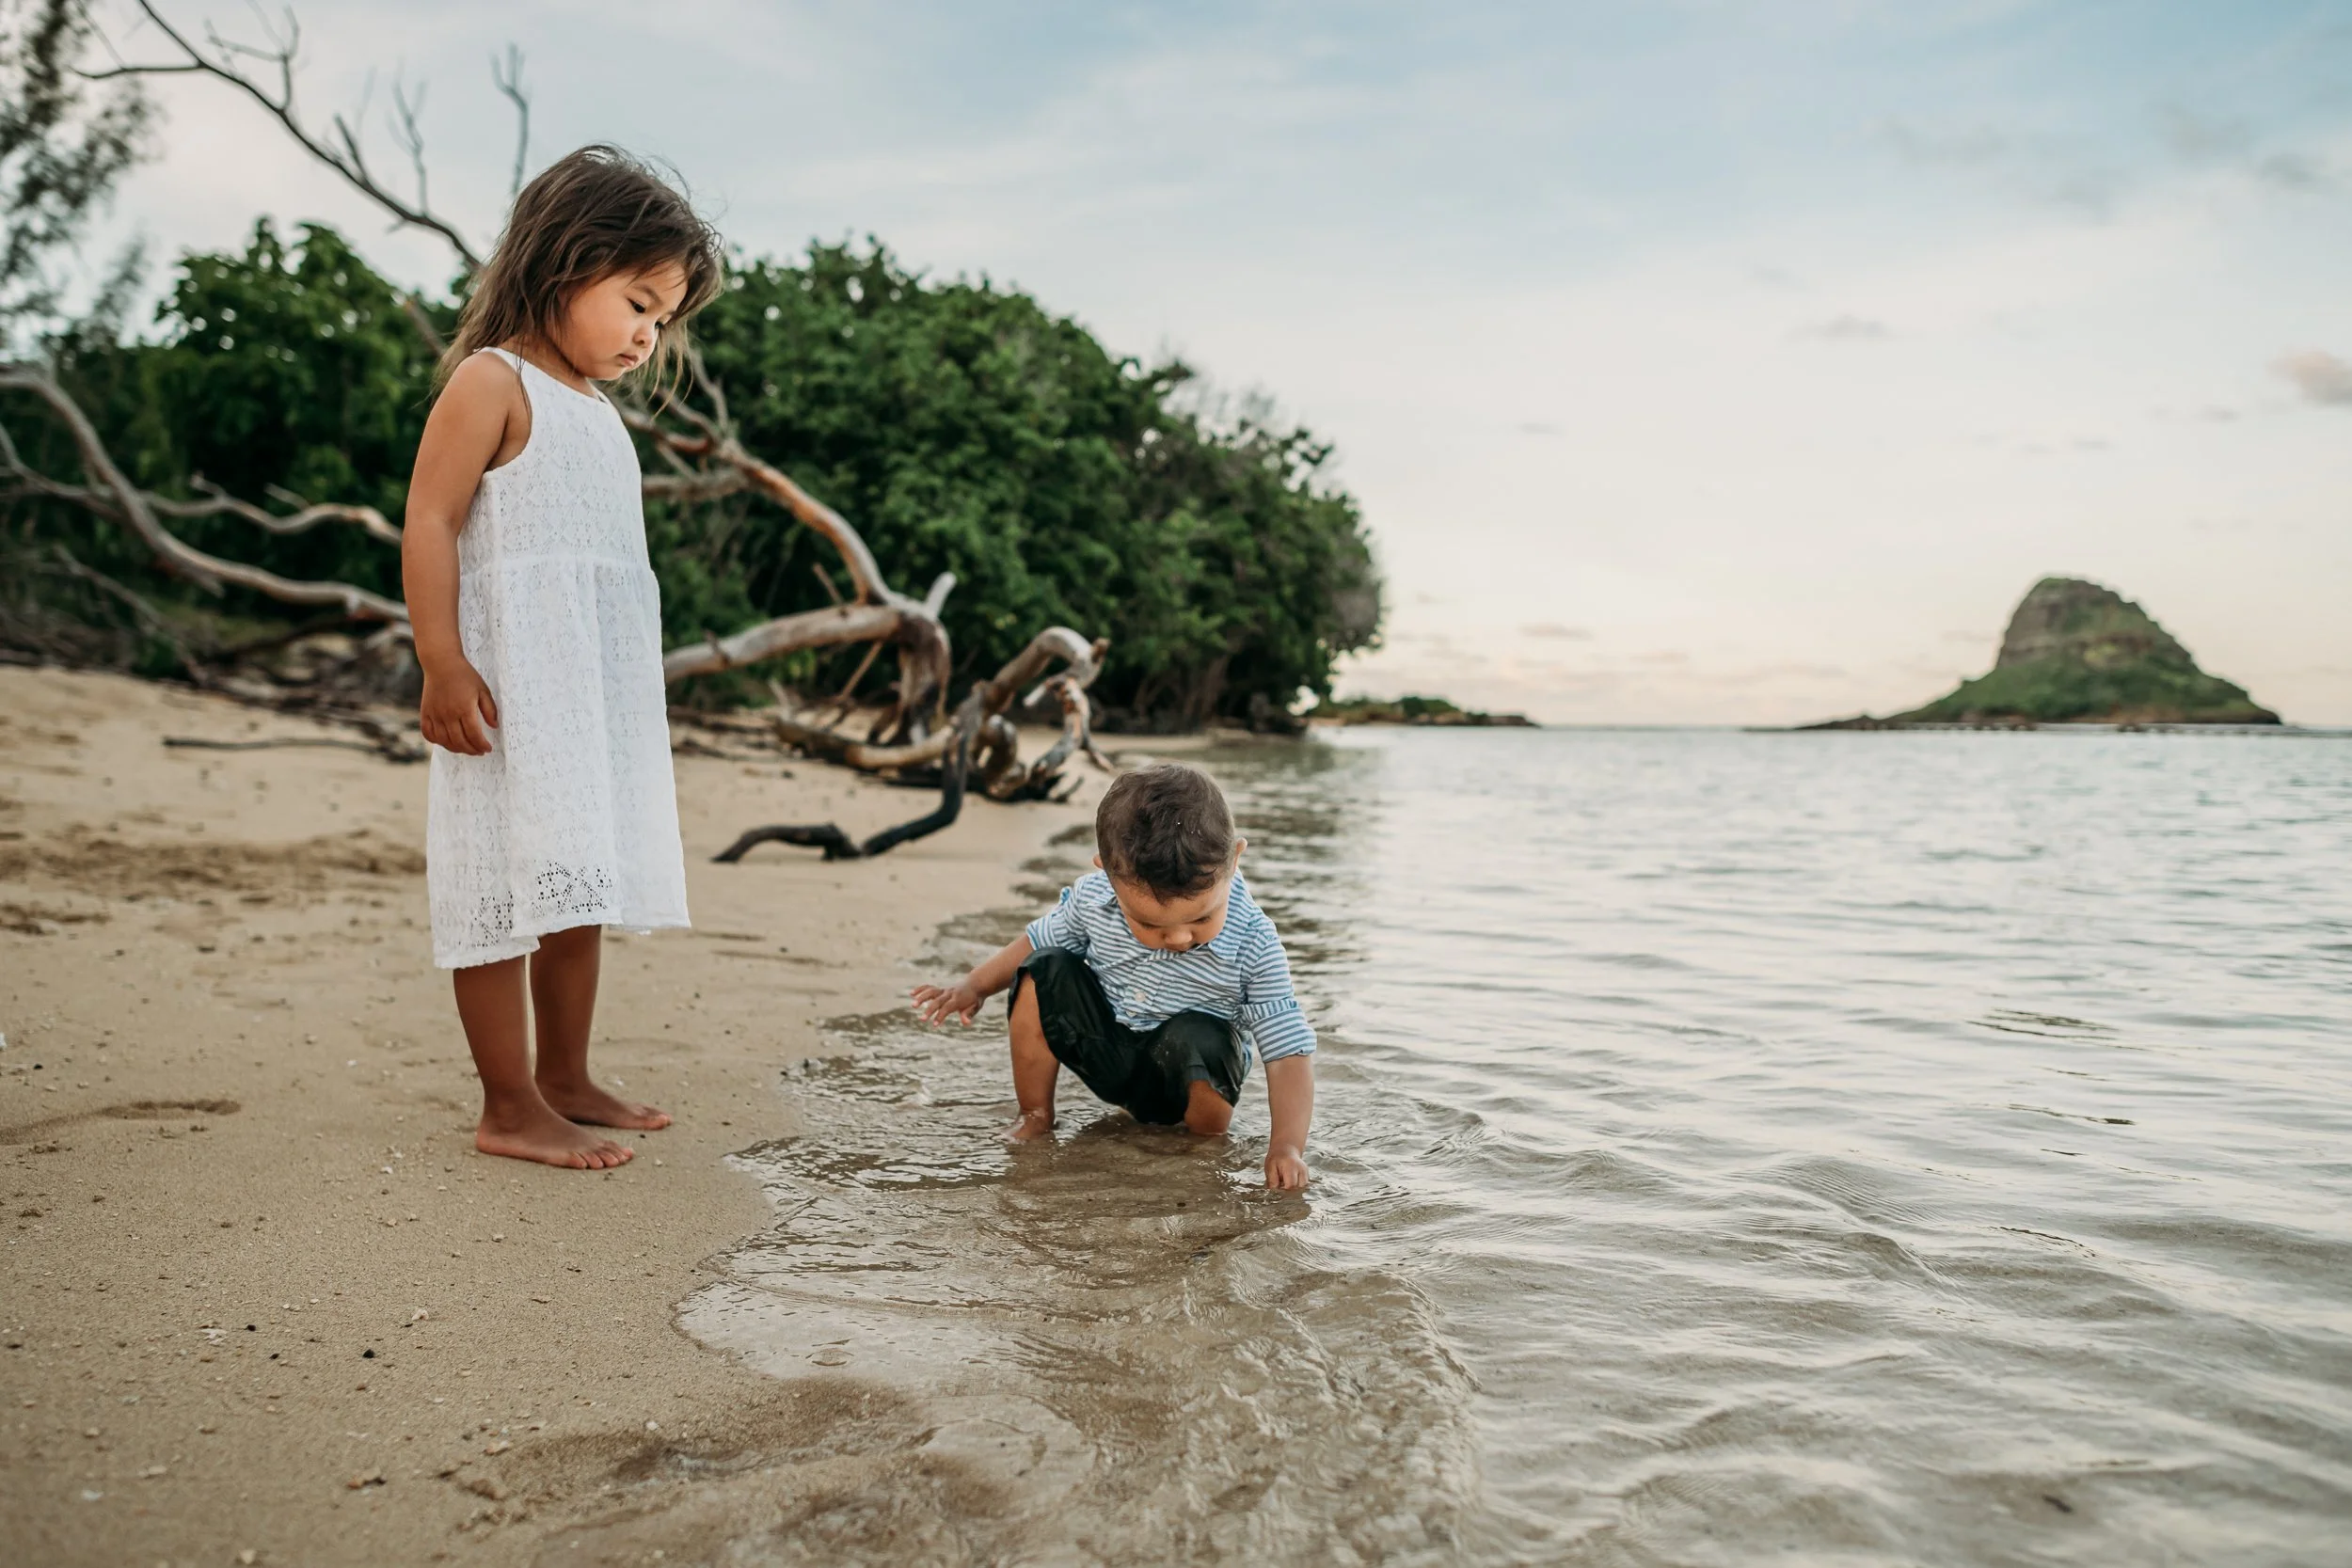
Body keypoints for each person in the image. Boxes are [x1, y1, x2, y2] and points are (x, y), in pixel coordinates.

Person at [401, 145, 723, 1170]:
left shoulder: (598, 415)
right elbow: (429, 521)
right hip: (505, 692)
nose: (646, 334)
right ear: (565, 261)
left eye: (662, 320)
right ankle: (508, 1101)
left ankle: (567, 1074)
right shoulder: (490, 383)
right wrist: (442, 661)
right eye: (636, 302)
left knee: (575, 879)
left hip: (582, 699)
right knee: (497, 885)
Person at [912, 763, 1317, 1191]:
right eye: (1149, 924)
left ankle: (1202, 1145)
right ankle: (1035, 1115)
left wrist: (1286, 1147)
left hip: (1187, 1075)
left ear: (1233, 860)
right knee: (1045, 968)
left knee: (1204, 1035)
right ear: (1107, 873)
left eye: (1201, 918)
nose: (1178, 938)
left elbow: (1287, 1047)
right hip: (1108, 1051)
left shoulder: (1254, 939)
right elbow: (1033, 942)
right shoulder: (1093, 900)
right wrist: (976, 985)